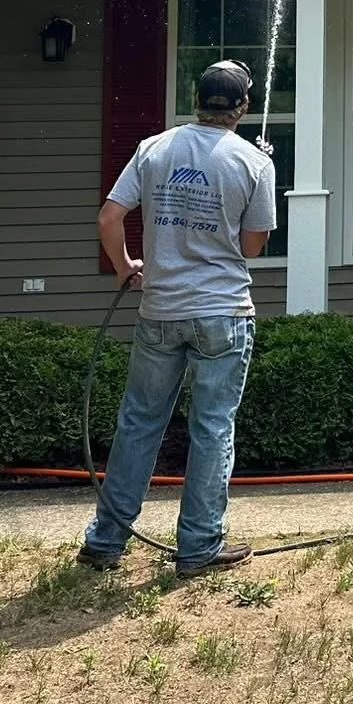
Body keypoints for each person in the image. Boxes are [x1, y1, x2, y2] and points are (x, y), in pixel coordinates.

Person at [79, 59, 277, 576]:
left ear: (196, 100)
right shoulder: (253, 162)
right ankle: (198, 548)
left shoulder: (154, 148)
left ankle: (105, 543)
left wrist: (125, 267)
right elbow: (253, 248)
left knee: (139, 423)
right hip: (222, 313)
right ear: (243, 107)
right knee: (212, 429)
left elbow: (109, 217)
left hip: (159, 309)